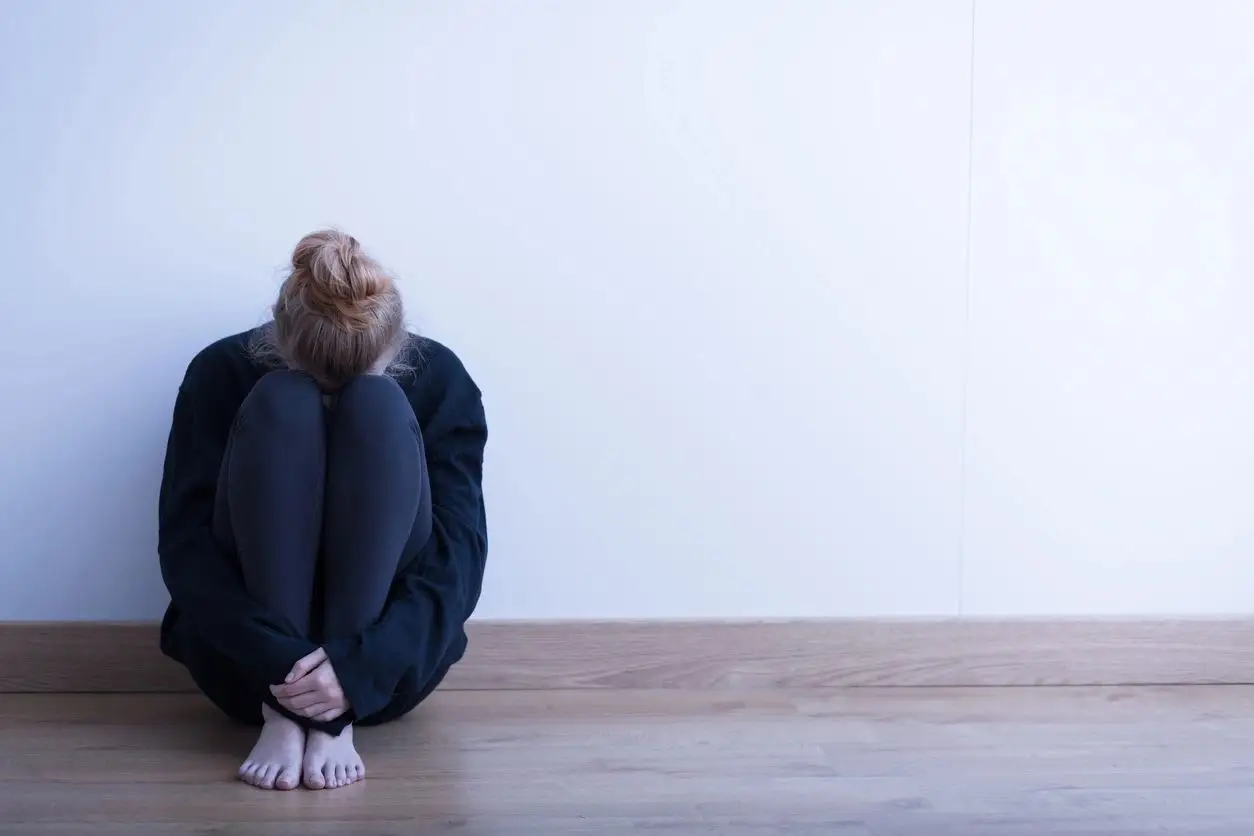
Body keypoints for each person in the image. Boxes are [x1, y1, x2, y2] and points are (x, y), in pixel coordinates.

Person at [157, 229, 488, 791]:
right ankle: (285, 712)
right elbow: (184, 542)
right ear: (279, 344)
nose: (333, 399)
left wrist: (356, 673)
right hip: (243, 669)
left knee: (379, 409)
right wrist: (279, 672)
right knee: (283, 404)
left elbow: (460, 552)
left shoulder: (439, 379)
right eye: (318, 380)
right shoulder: (221, 371)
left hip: (387, 674)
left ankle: (332, 715)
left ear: (396, 347)